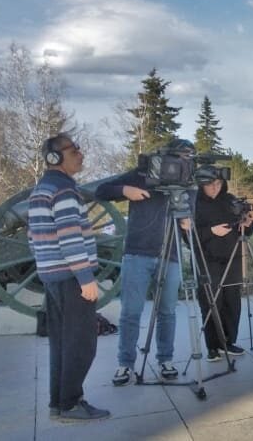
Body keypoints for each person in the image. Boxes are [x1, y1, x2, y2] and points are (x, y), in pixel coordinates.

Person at [95, 138, 195, 386]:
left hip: (169, 255)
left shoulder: (189, 183)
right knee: (131, 312)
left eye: (190, 157)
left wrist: (187, 225)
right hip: (138, 253)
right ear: (168, 156)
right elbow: (101, 191)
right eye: (182, 156)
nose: (186, 162)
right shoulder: (142, 173)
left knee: (167, 312)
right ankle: (125, 364)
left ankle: (165, 360)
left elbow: (189, 220)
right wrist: (124, 191)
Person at [27, 133, 110, 421]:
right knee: (81, 343)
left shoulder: (42, 189)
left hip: (53, 278)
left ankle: (59, 403)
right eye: (74, 149)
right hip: (71, 278)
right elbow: (70, 237)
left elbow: (33, 237)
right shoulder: (63, 190)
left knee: (61, 343)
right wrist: (85, 278)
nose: (80, 153)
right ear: (55, 157)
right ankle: (70, 404)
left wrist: (48, 267)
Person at [193, 166, 253, 361]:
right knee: (211, 302)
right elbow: (189, 237)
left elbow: (244, 231)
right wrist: (211, 232)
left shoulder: (229, 200)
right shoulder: (194, 204)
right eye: (210, 184)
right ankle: (212, 346)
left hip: (233, 258)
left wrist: (248, 225)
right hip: (208, 260)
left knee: (232, 302)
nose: (214, 188)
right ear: (201, 185)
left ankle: (228, 342)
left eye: (218, 184)